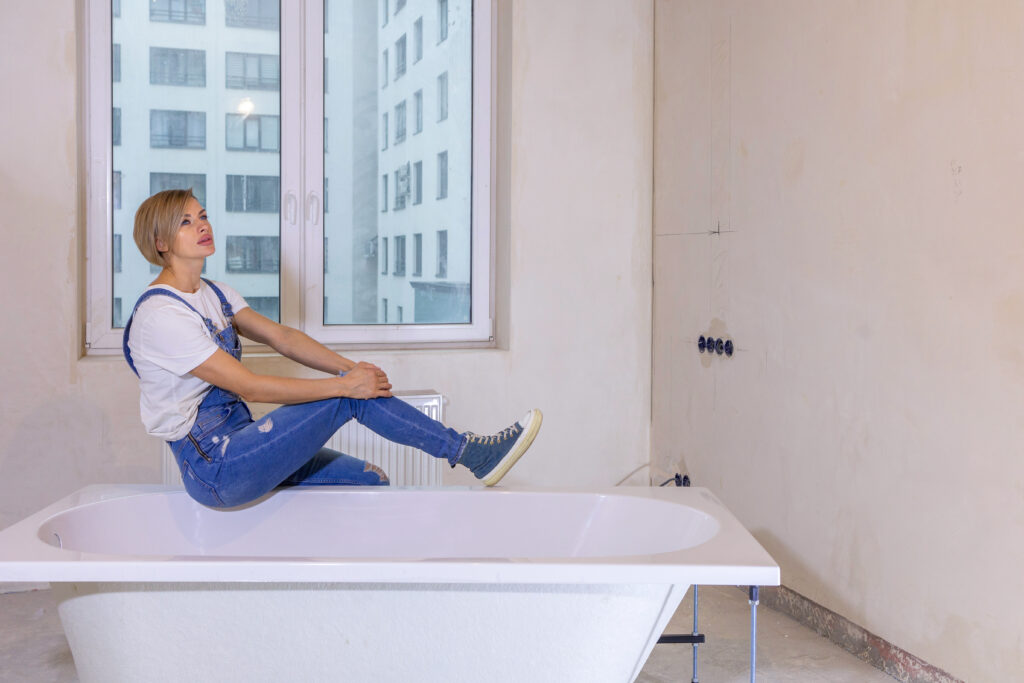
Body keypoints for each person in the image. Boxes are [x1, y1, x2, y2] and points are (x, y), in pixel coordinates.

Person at [123, 189, 542, 508]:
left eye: (203, 216)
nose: (202, 225)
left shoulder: (214, 292)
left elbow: (281, 337)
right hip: (216, 465)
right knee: (347, 398)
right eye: (185, 222)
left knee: (370, 478)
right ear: (160, 241)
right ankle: (470, 453)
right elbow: (248, 387)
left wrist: (350, 367)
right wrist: (346, 387)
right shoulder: (161, 316)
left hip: (245, 441)